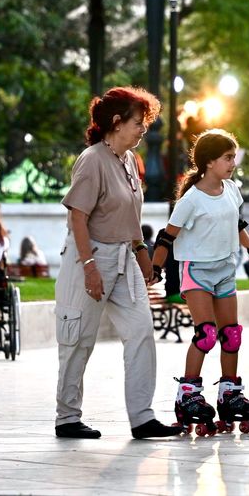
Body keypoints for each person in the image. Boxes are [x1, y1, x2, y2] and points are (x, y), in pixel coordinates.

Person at [53, 86, 180, 441]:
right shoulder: (92, 159)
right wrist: (89, 267)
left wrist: (143, 256)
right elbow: (78, 217)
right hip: (91, 256)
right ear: (116, 122)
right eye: (139, 123)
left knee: (141, 333)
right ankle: (67, 418)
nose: (144, 130)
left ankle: (142, 418)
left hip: (125, 256)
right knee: (78, 339)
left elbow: (130, 218)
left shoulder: (129, 161)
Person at [149, 128, 249, 434]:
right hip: (196, 271)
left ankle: (229, 393)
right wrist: (156, 269)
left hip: (225, 270)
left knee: (231, 335)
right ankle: (187, 394)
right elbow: (167, 237)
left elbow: (237, 225)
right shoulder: (191, 199)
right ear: (210, 161)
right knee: (206, 335)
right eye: (228, 158)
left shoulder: (231, 189)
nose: (233, 163)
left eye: (233, 157)